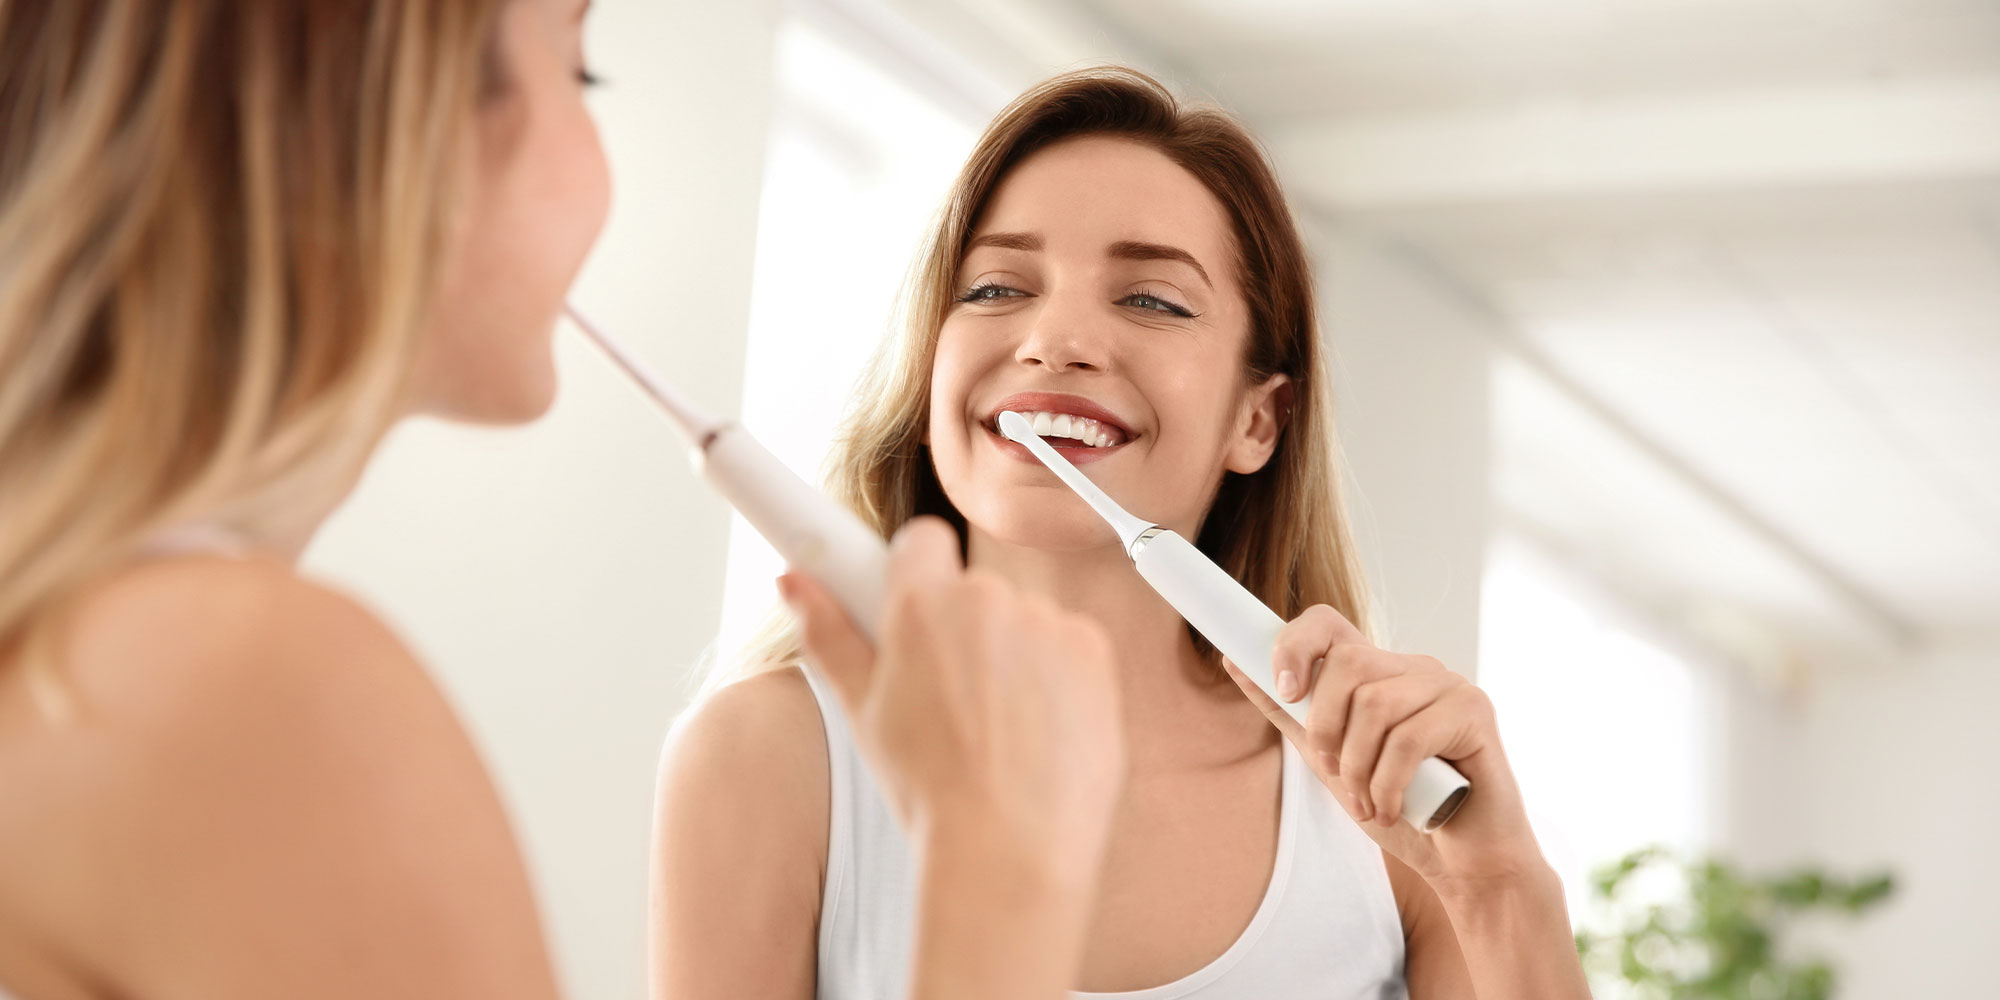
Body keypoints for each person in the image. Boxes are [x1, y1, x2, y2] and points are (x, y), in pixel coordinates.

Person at [0, 4, 1123, 999]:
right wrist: (1001, 874)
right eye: (578, 68)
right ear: (399, 114)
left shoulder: (103, 644)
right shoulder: (251, 685)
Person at [654, 67, 1594, 999]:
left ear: (1256, 422)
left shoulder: (1387, 810)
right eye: (992, 288)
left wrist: (1500, 889)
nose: (1053, 338)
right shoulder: (768, 757)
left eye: (1151, 299)